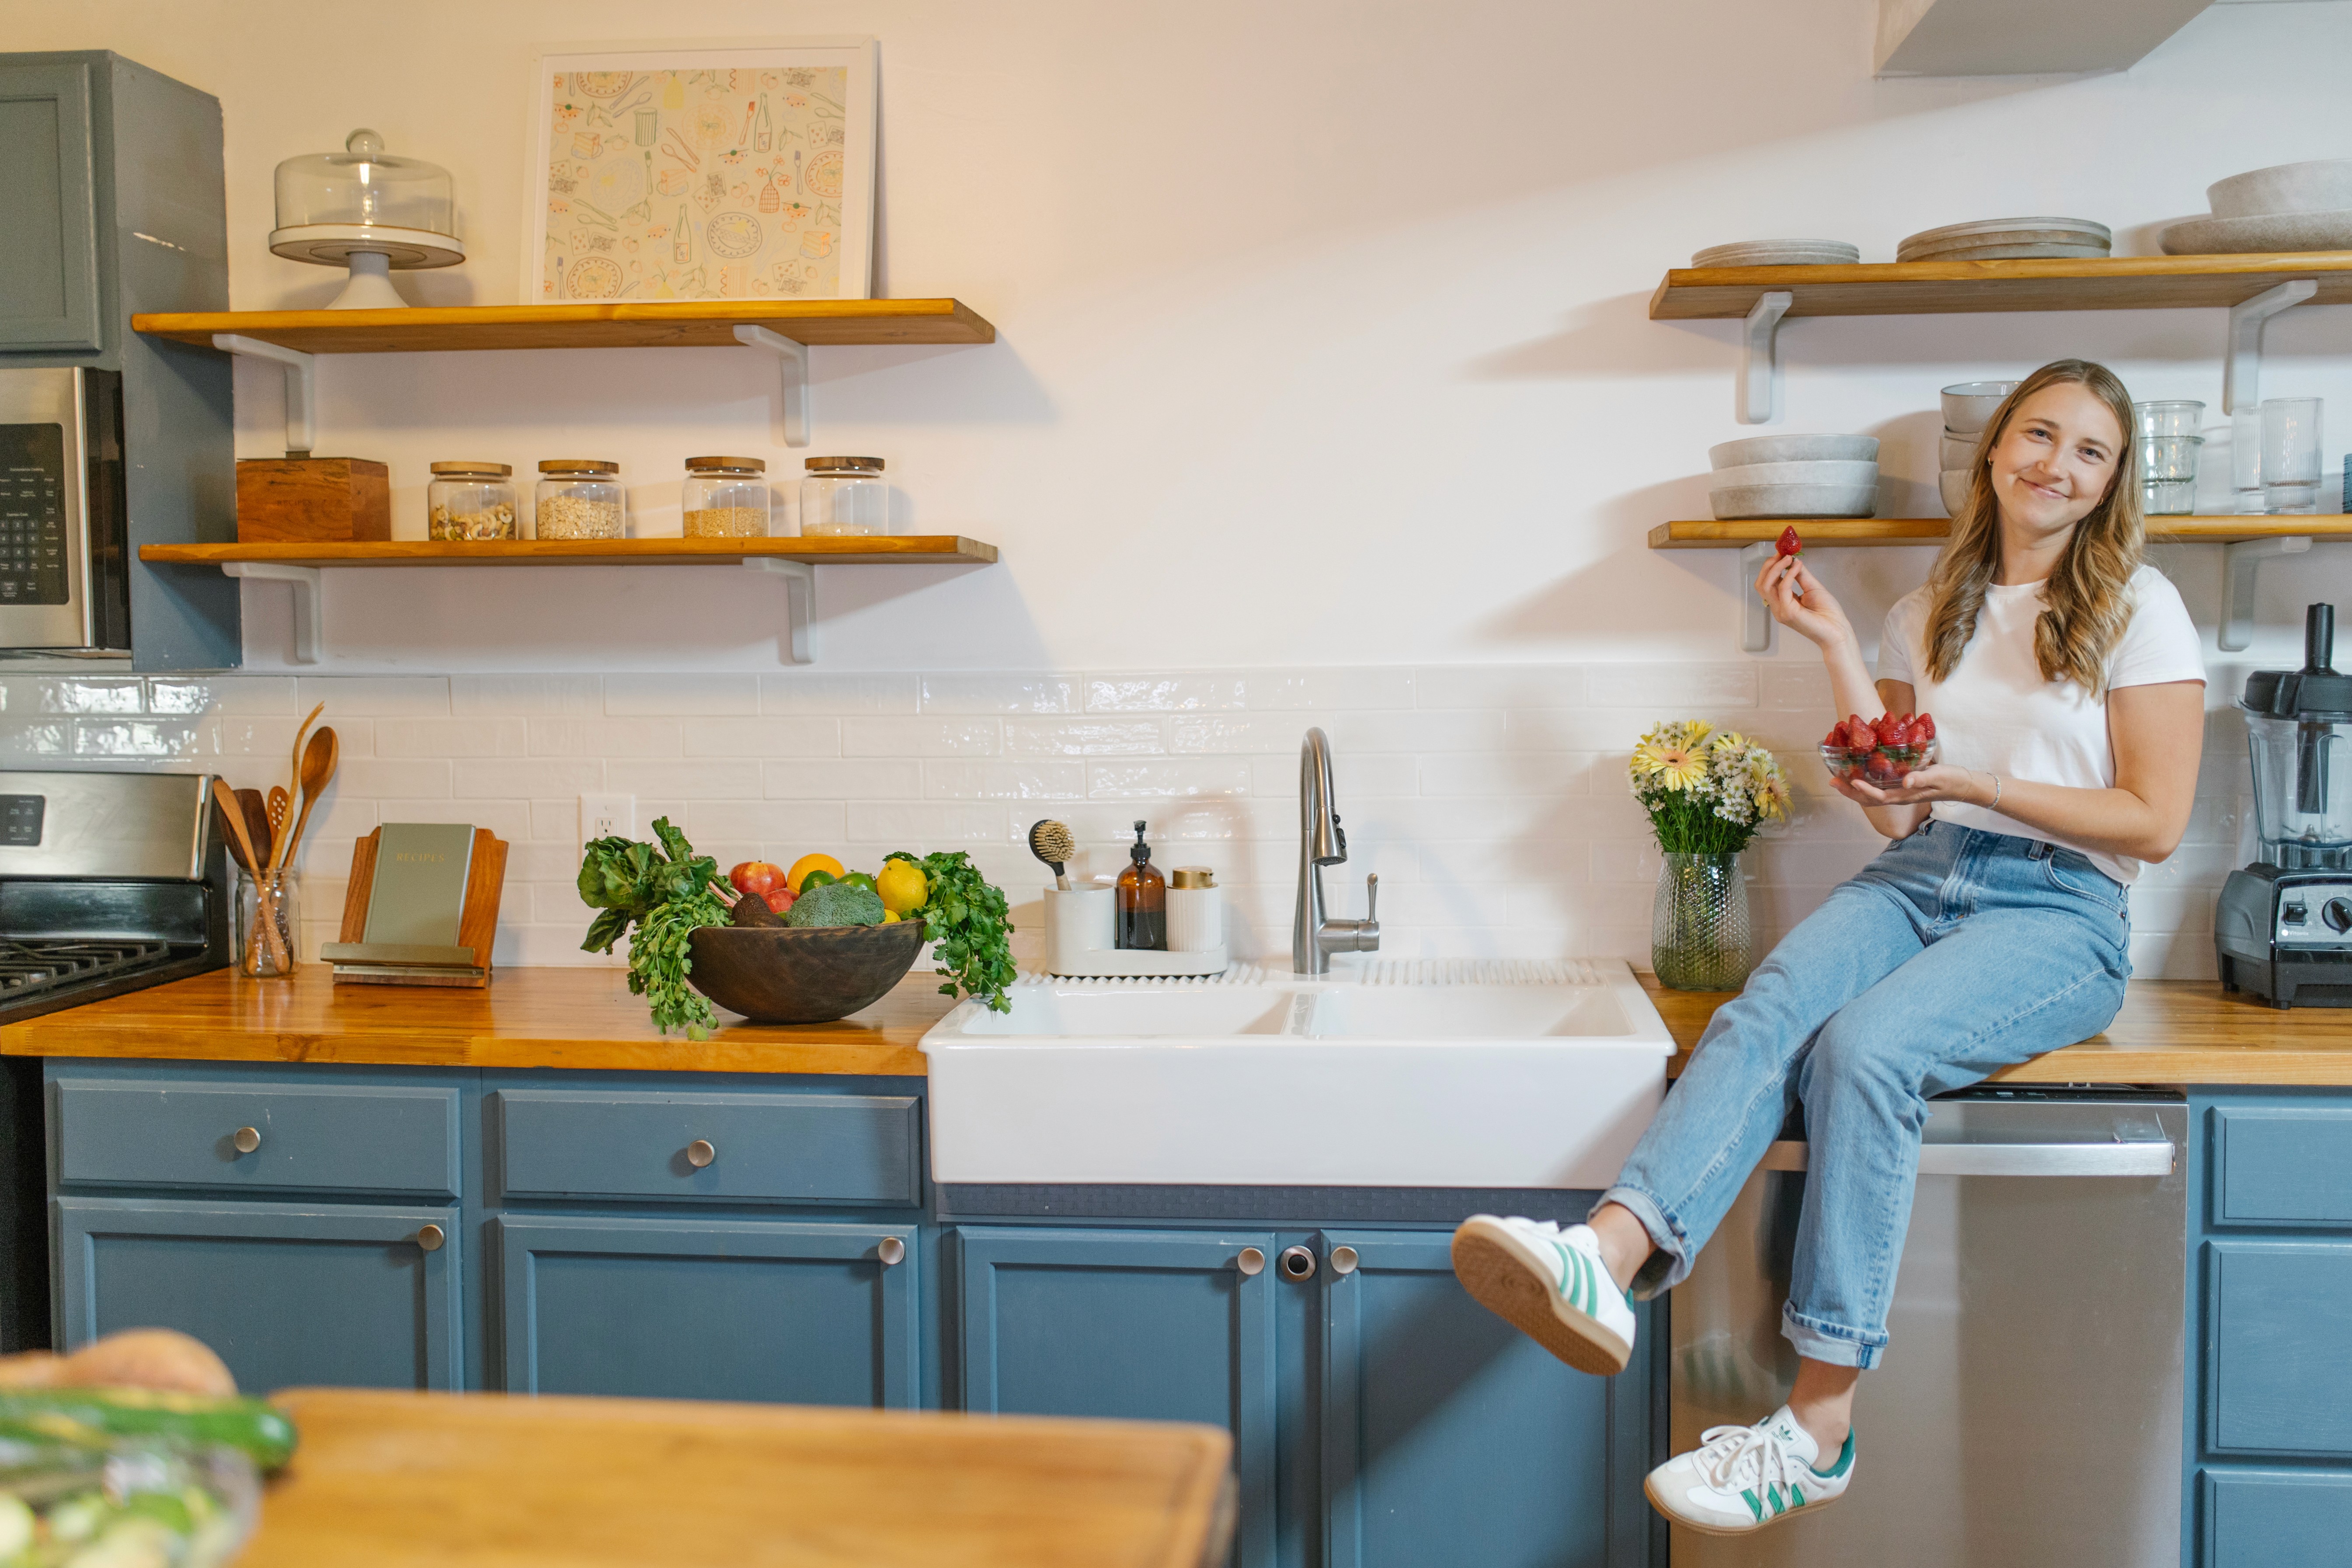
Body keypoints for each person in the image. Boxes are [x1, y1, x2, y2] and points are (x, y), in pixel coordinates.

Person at [1452, 358, 2206, 1534]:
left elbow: (2154, 823)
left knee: (1862, 1051)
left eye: (2090, 451)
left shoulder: (2137, 605)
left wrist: (1972, 779)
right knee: (1774, 1000)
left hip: (2060, 912)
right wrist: (1834, 646)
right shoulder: (1937, 601)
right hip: (1923, 868)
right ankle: (1605, 1256)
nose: (2056, 463)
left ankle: (1816, 1423)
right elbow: (1900, 805)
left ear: (2113, 483)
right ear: (1996, 445)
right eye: (2040, 433)